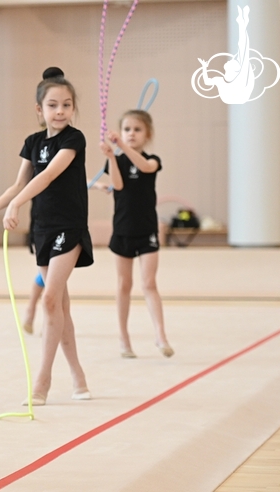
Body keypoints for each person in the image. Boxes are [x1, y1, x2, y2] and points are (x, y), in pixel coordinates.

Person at [0, 67, 92, 406]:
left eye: (66, 105)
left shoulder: (73, 139)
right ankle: (79, 377)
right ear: (40, 110)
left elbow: (51, 174)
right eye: (53, 105)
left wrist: (17, 206)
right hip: (43, 228)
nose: (60, 111)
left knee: (50, 299)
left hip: (68, 227)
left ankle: (43, 381)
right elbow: (19, 183)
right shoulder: (33, 142)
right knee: (60, 306)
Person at [100, 110, 173, 358]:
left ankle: (161, 335)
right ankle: (124, 338)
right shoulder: (118, 160)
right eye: (127, 129)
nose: (131, 134)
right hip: (122, 230)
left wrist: (121, 147)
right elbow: (118, 186)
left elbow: (143, 166)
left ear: (147, 134)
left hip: (147, 231)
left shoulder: (153, 160)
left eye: (137, 129)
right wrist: (112, 155)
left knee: (149, 283)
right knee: (124, 285)